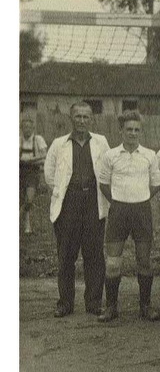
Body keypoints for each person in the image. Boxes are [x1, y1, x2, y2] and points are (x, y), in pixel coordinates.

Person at [44, 101, 110, 317]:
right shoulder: (58, 144)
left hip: (93, 200)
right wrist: (67, 191)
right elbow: (49, 175)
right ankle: (65, 303)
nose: (82, 120)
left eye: (86, 116)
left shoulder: (101, 142)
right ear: (71, 118)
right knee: (66, 255)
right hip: (68, 203)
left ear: (92, 119)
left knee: (94, 255)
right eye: (78, 116)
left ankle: (93, 303)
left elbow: (109, 170)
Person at [97, 110, 160, 322]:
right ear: (121, 131)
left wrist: (140, 199)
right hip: (118, 212)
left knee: (144, 261)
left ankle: (145, 306)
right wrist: (118, 201)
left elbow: (155, 184)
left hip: (141, 211)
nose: (133, 133)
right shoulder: (110, 155)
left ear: (140, 132)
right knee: (113, 263)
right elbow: (104, 184)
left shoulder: (150, 155)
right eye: (129, 129)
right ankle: (111, 307)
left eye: (136, 130)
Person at [20, 115, 47, 235]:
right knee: (21, 199)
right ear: (21, 128)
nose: (27, 129)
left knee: (29, 200)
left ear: (33, 128)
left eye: (29, 127)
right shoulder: (18, 140)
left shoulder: (38, 139)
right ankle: (27, 226)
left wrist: (30, 160)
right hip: (19, 171)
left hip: (32, 173)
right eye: (24, 127)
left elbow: (45, 157)